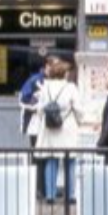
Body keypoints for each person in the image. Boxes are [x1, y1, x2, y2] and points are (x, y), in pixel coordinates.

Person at [32, 60, 84, 204]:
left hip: (50, 127)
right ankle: (70, 195)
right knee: (70, 161)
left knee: (51, 159)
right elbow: (78, 109)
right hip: (67, 127)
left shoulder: (45, 87)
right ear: (64, 73)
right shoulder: (71, 87)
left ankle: (50, 195)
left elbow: (39, 108)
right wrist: (80, 121)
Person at [19, 55, 59, 200]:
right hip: (35, 125)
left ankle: (46, 189)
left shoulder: (54, 81)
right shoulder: (35, 80)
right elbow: (23, 98)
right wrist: (38, 106)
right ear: (47, 66)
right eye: (55, 66)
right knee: (38, 158)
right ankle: (38, 189)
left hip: (47, 126)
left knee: (48, 157)